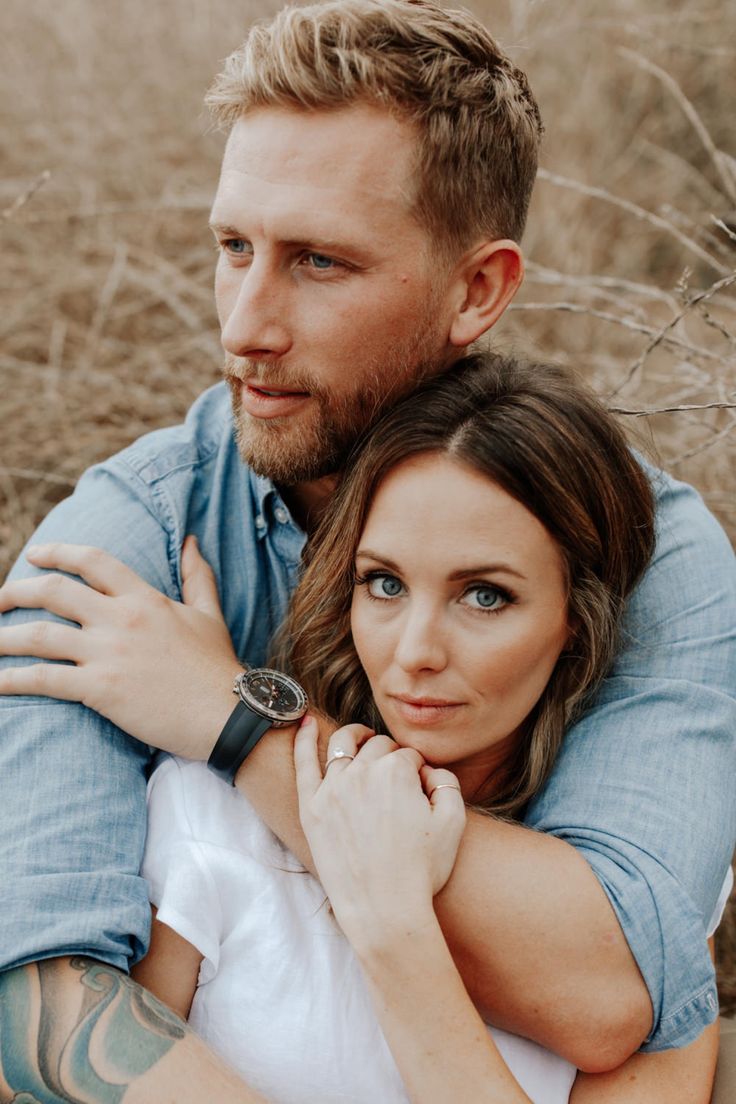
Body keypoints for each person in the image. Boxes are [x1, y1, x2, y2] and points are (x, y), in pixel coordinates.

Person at [0, 1, 734, 1100]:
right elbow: (37, 995)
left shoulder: (647, 547)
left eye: (320, 262)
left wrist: (238, 722)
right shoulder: (126, 545)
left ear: (477, 289)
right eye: (233, 247)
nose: (245, 322)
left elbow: (610, 991)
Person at [9, 354, 729, 1103]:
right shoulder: (204, 822)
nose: (416, 652)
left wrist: (393, 927)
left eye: (485, 596)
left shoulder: (621, 923)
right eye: (383, 583)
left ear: (574, 624)